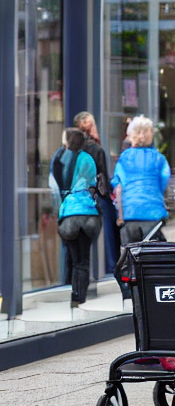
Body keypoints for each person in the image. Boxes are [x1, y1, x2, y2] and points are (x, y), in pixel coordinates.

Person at [49, 128, 102, 306]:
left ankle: (70, 293)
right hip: (88, 213)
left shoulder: (60, 158)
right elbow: (93, 184)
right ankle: (80, 297)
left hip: (69, 213)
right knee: (83, 260)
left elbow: (54, 188)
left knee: (72, 256)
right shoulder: (87, 158)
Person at [111, 116, 171, 246]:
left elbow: (118, 186)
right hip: (153, 215)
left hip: (130, 214)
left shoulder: (124, 158)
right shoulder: (159, 158)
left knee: (130, 258)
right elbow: (163, 182)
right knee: (152, 258)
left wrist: (120, 216)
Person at [74, 111, 120, 275]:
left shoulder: (71, 150)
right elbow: (102, 178)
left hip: (77, 198)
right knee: (109, 226)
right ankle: (110, 265)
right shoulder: (95, 149)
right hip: (97, 197)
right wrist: (109, 194)